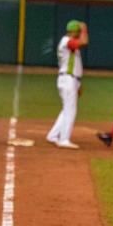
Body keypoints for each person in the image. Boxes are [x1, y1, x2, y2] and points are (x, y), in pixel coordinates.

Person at [46, 19, 89, 149]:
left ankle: (53, 135)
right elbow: (84, 42)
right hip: (68, 79)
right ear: (75, 32)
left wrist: (78, 84)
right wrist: (84, 29)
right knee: (70, 110)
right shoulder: (66, 41)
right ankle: (64, 139)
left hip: (71, 80)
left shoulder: (68, 42)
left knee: (67, 109)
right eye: (78, 31)